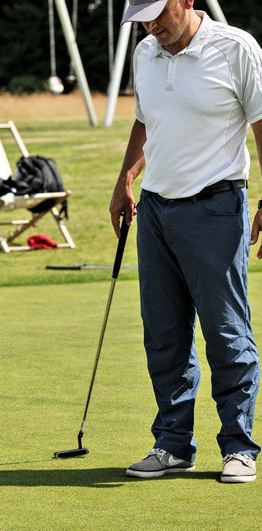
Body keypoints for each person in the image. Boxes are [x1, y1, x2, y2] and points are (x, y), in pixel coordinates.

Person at [110, 0, 262, 483]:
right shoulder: (146, 53)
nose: (152, 26)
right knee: (164, 333)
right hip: (156, 209)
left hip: (216, 208)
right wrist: (125, 179)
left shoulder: (236, 48)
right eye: (143, 19)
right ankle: (173, 445)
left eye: (159, 14)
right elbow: (144, 120)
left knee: (225, 332)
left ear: (188, 1)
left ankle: (239, 448)